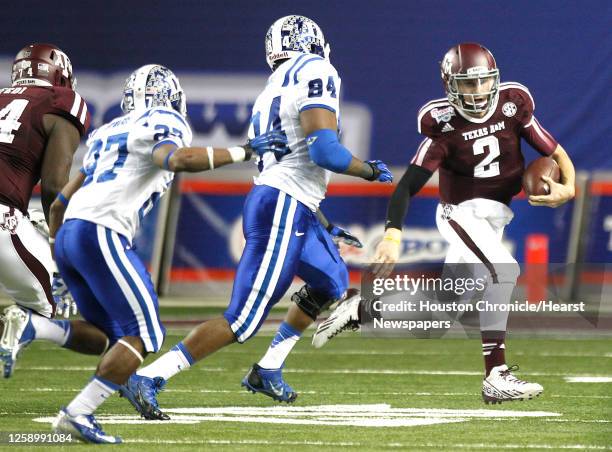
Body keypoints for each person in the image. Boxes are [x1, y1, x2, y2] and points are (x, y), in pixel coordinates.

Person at [120, 15, 392, 418]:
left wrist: (323, 221)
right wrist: (369, 170)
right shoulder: (318, 69)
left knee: (331, 282)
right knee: (243, 320)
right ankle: (148, 376)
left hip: (290, 202)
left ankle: (268, 369)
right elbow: (324, 152)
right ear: (314, 41)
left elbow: (294, 160)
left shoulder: (273, 86)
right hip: (282, 204)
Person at [312, 43, 576, 404]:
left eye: (483, 82)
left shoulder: (513, 105)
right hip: (461, 213)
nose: (478, 91)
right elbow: (407, 186)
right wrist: (392, 235)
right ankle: (496, 376)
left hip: (493, 216)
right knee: (506, 270)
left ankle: (360, 308)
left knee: (441, 311)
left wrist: (569, 186)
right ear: (451, 86)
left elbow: (555, 152)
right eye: (468, 85)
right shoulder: (444, 126)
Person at [49, 64, 286, 443]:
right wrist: (243, 150)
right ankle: (78, 413)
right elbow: (175, 159)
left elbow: (59, 204)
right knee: (145, 334)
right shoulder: (163, 119)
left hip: (69, 235)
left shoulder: (107, 131)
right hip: (103, 231)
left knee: (110, 334)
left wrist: (59, 260)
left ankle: (35, 328)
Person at [0, 43, 109, 378]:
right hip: (3, 216)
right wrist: (62, 246)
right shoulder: (63, 101)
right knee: (55, 312)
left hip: (10, 214)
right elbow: (52, 187)